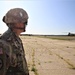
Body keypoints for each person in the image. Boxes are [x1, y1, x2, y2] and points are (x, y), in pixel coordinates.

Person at [0, 8, 29, 75]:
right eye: (23, 21)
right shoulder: (3, 43)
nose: (26, 23)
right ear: (15, 23)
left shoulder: (17, 39)